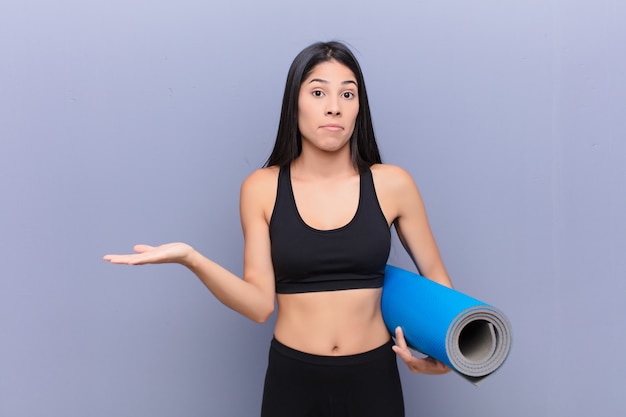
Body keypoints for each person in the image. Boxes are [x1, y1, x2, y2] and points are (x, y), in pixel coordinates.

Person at [104, 41, 452, 417]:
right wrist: (192, 259)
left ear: (358, 108)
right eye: (318, 92)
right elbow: (258, 305)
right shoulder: (261, 188)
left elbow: (437, 281)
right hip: (294, 380)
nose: (334, 105)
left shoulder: (392, 184)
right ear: (295, 103)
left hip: (373, 377)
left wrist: (446, 350)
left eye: (347, 94)